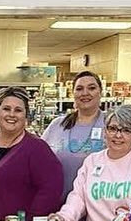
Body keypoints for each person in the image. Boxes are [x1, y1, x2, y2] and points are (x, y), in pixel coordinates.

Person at [0, 87, 62, 221]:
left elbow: (51, 190)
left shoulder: (37, 148)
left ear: (26, 117)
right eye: (6, 109)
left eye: (18, 110)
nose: (11, 114)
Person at [41, 70, 107, 201]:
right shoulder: (57, 125)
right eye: (79, 89)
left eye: (92, 88)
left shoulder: (112, 124)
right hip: (58, 205)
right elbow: (39, 159)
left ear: (101, 92)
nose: (85, 93)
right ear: (73, 94)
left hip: (99, 206)